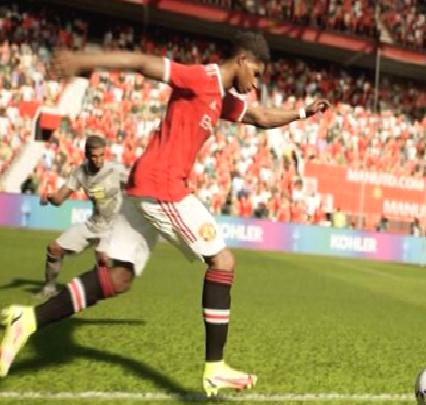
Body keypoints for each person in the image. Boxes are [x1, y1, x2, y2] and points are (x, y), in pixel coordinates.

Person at [0, 32, 330, 397]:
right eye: (256, 72)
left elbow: (260, 116)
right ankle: (215, 368)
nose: (256, 82)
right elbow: (144, 64)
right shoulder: (201, 78)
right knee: (222, 261)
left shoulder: (221, 97)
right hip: (162, 186)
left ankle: (27, 319)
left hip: (144, 185)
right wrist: (83, 61)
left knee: (118, 278)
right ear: (241, 60)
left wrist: (303, 112)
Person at [36, 135, 127, 299]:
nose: (99, 160)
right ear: (87, 155)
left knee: (103, 258)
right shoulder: (79, 173)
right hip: (94, 224)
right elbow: (59, 199)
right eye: (94, 156)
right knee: (54, 249)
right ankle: (49, 289)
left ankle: (98, 289)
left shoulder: (115, 170)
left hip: (114, 226)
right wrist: (49, 197)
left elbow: (138, 185)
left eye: (101, 155)